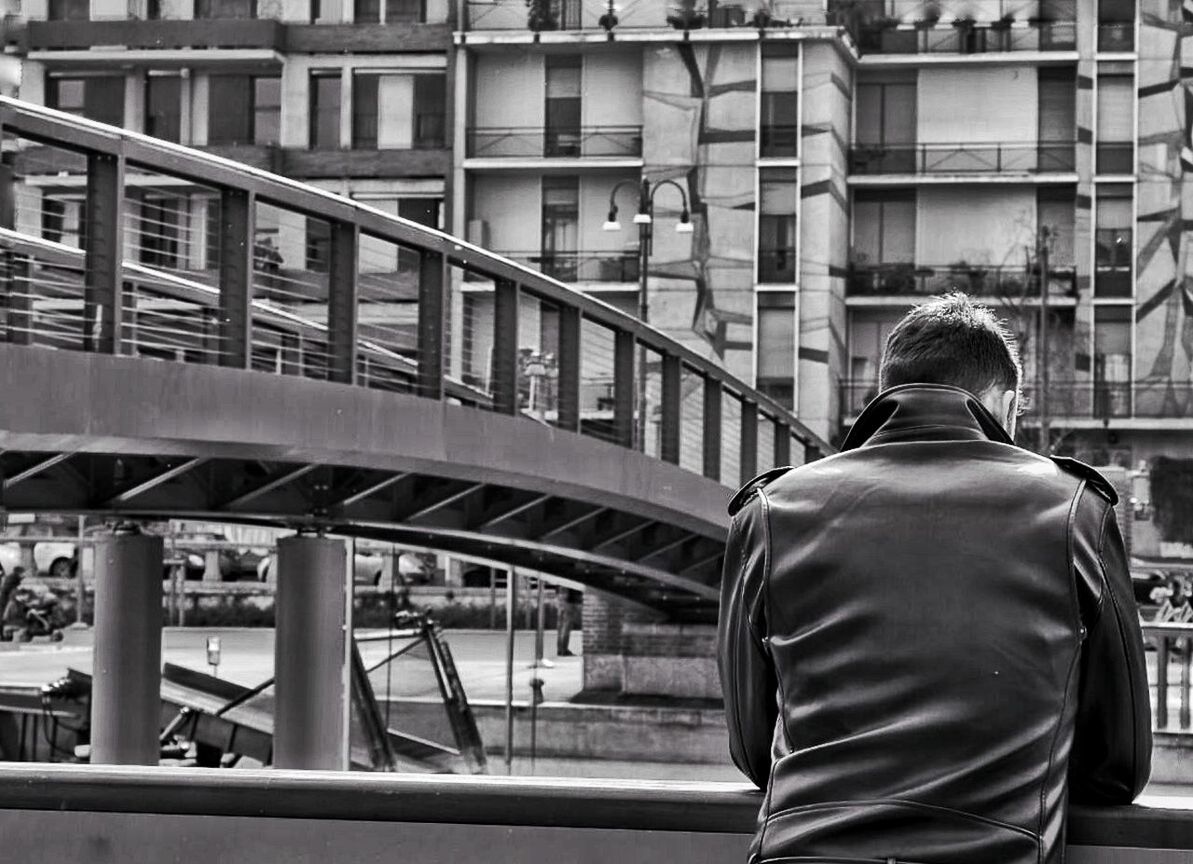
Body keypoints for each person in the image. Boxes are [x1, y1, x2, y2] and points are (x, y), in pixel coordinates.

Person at [718, 293, 1151, 864]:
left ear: (885, 395)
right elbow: (1119, 765)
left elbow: (753, 748)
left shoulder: (770, 512)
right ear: (1004, 401)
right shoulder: (1074, 510)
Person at [556, 586, 582, 656]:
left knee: (563, 625)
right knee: (566, 625)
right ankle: (563, 650)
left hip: (565, 597)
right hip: (570, 599)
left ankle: (561, 649)